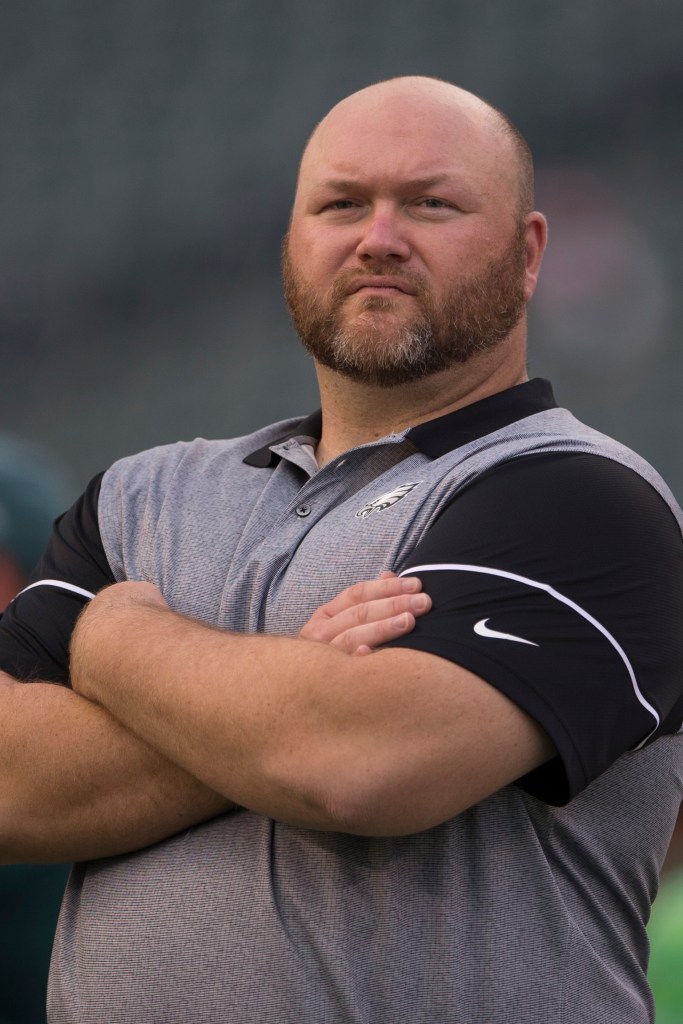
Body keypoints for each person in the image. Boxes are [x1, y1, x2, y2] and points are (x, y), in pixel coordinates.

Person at [0, 76, 682, 1024]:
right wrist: (294, 688)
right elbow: (8, 786)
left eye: (430, 204)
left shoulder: (584, 497)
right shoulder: (139, 494)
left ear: (529, 254)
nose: (379, 237)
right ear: (291, 239)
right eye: (340, 204)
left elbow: (360, 764)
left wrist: (116, 641)